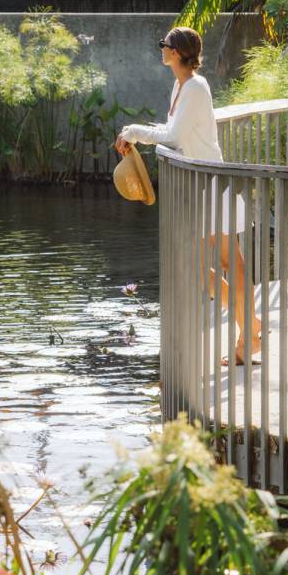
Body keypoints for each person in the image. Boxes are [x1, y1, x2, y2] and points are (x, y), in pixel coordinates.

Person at [114, 27, 262, 365]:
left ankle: (248, 338)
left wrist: (136, 131)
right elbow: (177, 133)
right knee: (197, 267)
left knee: (231, 263)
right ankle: (251, 326)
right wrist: (135, 133)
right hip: (200, 184)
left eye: (164, 45)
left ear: (177, 52)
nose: (161, 49)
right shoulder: (180, 86)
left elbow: (175, 134)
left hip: (211, 182)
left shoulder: (195, 86)